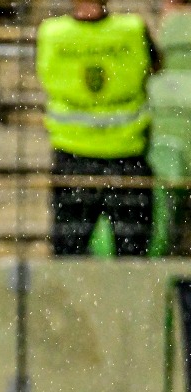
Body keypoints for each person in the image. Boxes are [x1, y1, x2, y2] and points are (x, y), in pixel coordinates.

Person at [37, 1, 160, 256]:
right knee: (133, 256)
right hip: (125, 158)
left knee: (69, 254)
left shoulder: (52, 33)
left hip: (74, 159)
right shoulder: (132, 29)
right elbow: (156, 66)